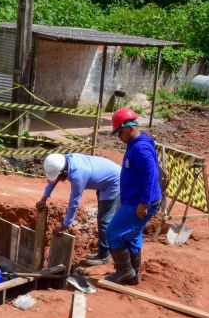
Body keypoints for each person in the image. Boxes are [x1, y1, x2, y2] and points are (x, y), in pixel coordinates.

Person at [105, 107, 162, 285]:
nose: (119, 137)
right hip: (135, 199)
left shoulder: (140, 149)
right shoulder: (137, 143)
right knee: (133, 234)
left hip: (140, 201)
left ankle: (125, 270)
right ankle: (133, 275)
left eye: (120, 133)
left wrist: (144, 203)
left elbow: (151, 176)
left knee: (113, 232)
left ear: (129, 128)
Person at [37, 153, 121, 266]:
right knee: (103, 217)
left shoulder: (78, 175)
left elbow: (74, 202)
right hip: (104, 179)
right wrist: (44, 199)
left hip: (114, 181)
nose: (59, 180)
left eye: (60, 177)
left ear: (65, 173)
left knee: (104, 220)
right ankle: (103, 250)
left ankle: (104, 254)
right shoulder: (64, 161)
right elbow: (54, 179)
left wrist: (65, 226)